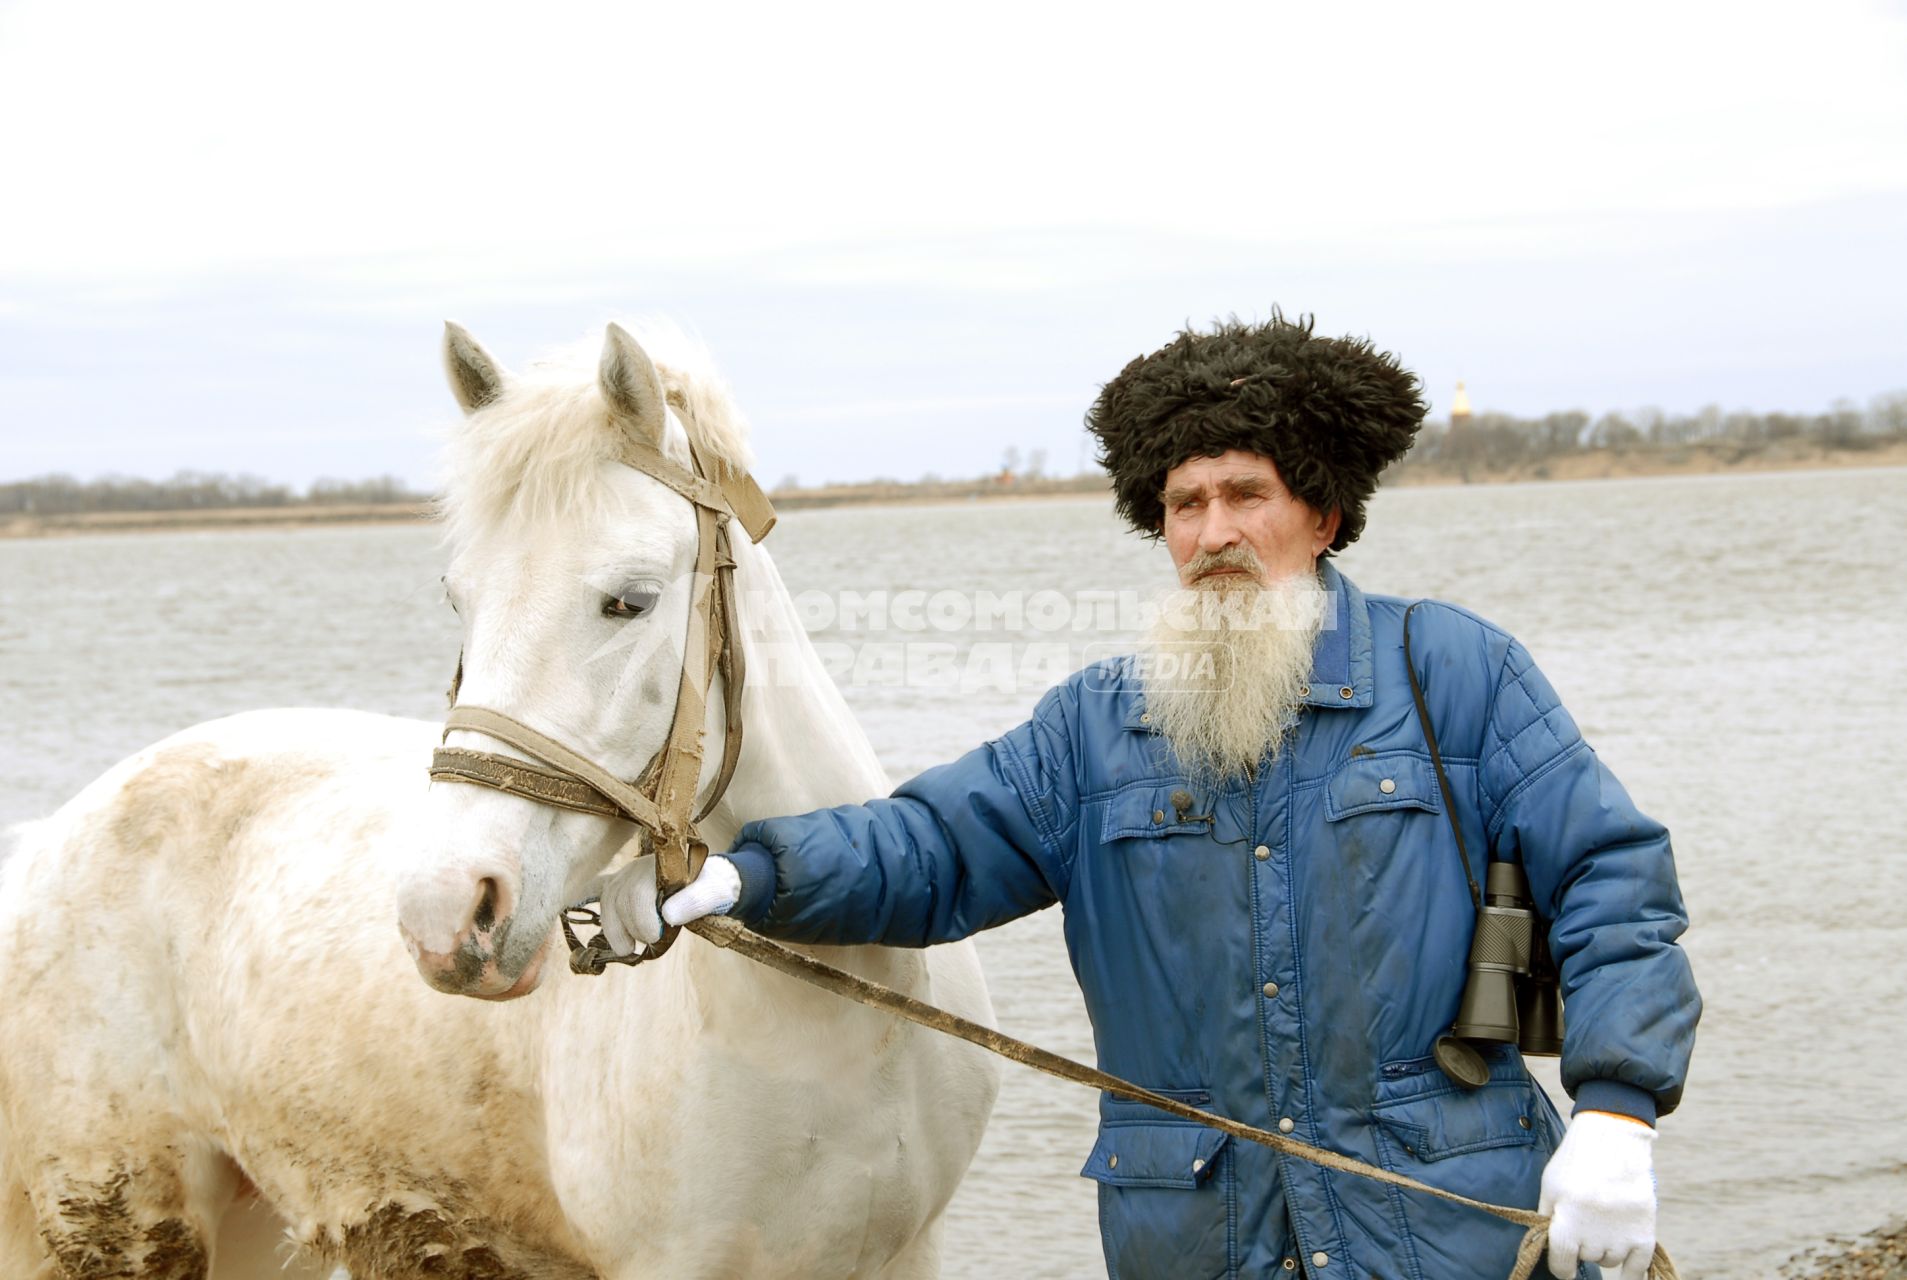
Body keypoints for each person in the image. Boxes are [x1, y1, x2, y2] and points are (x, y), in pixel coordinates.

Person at [603, 313, 1699, 1280]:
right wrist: (745, 871)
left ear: (1318, 515)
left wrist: (1615, 1112)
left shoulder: (1455, 673)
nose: (1212, 531)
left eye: (1244, 495)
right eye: (1183, 503)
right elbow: (929, 847)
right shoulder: (1093, 726)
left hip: (1453, 1230)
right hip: (1196, 1237)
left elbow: (1615, 883)